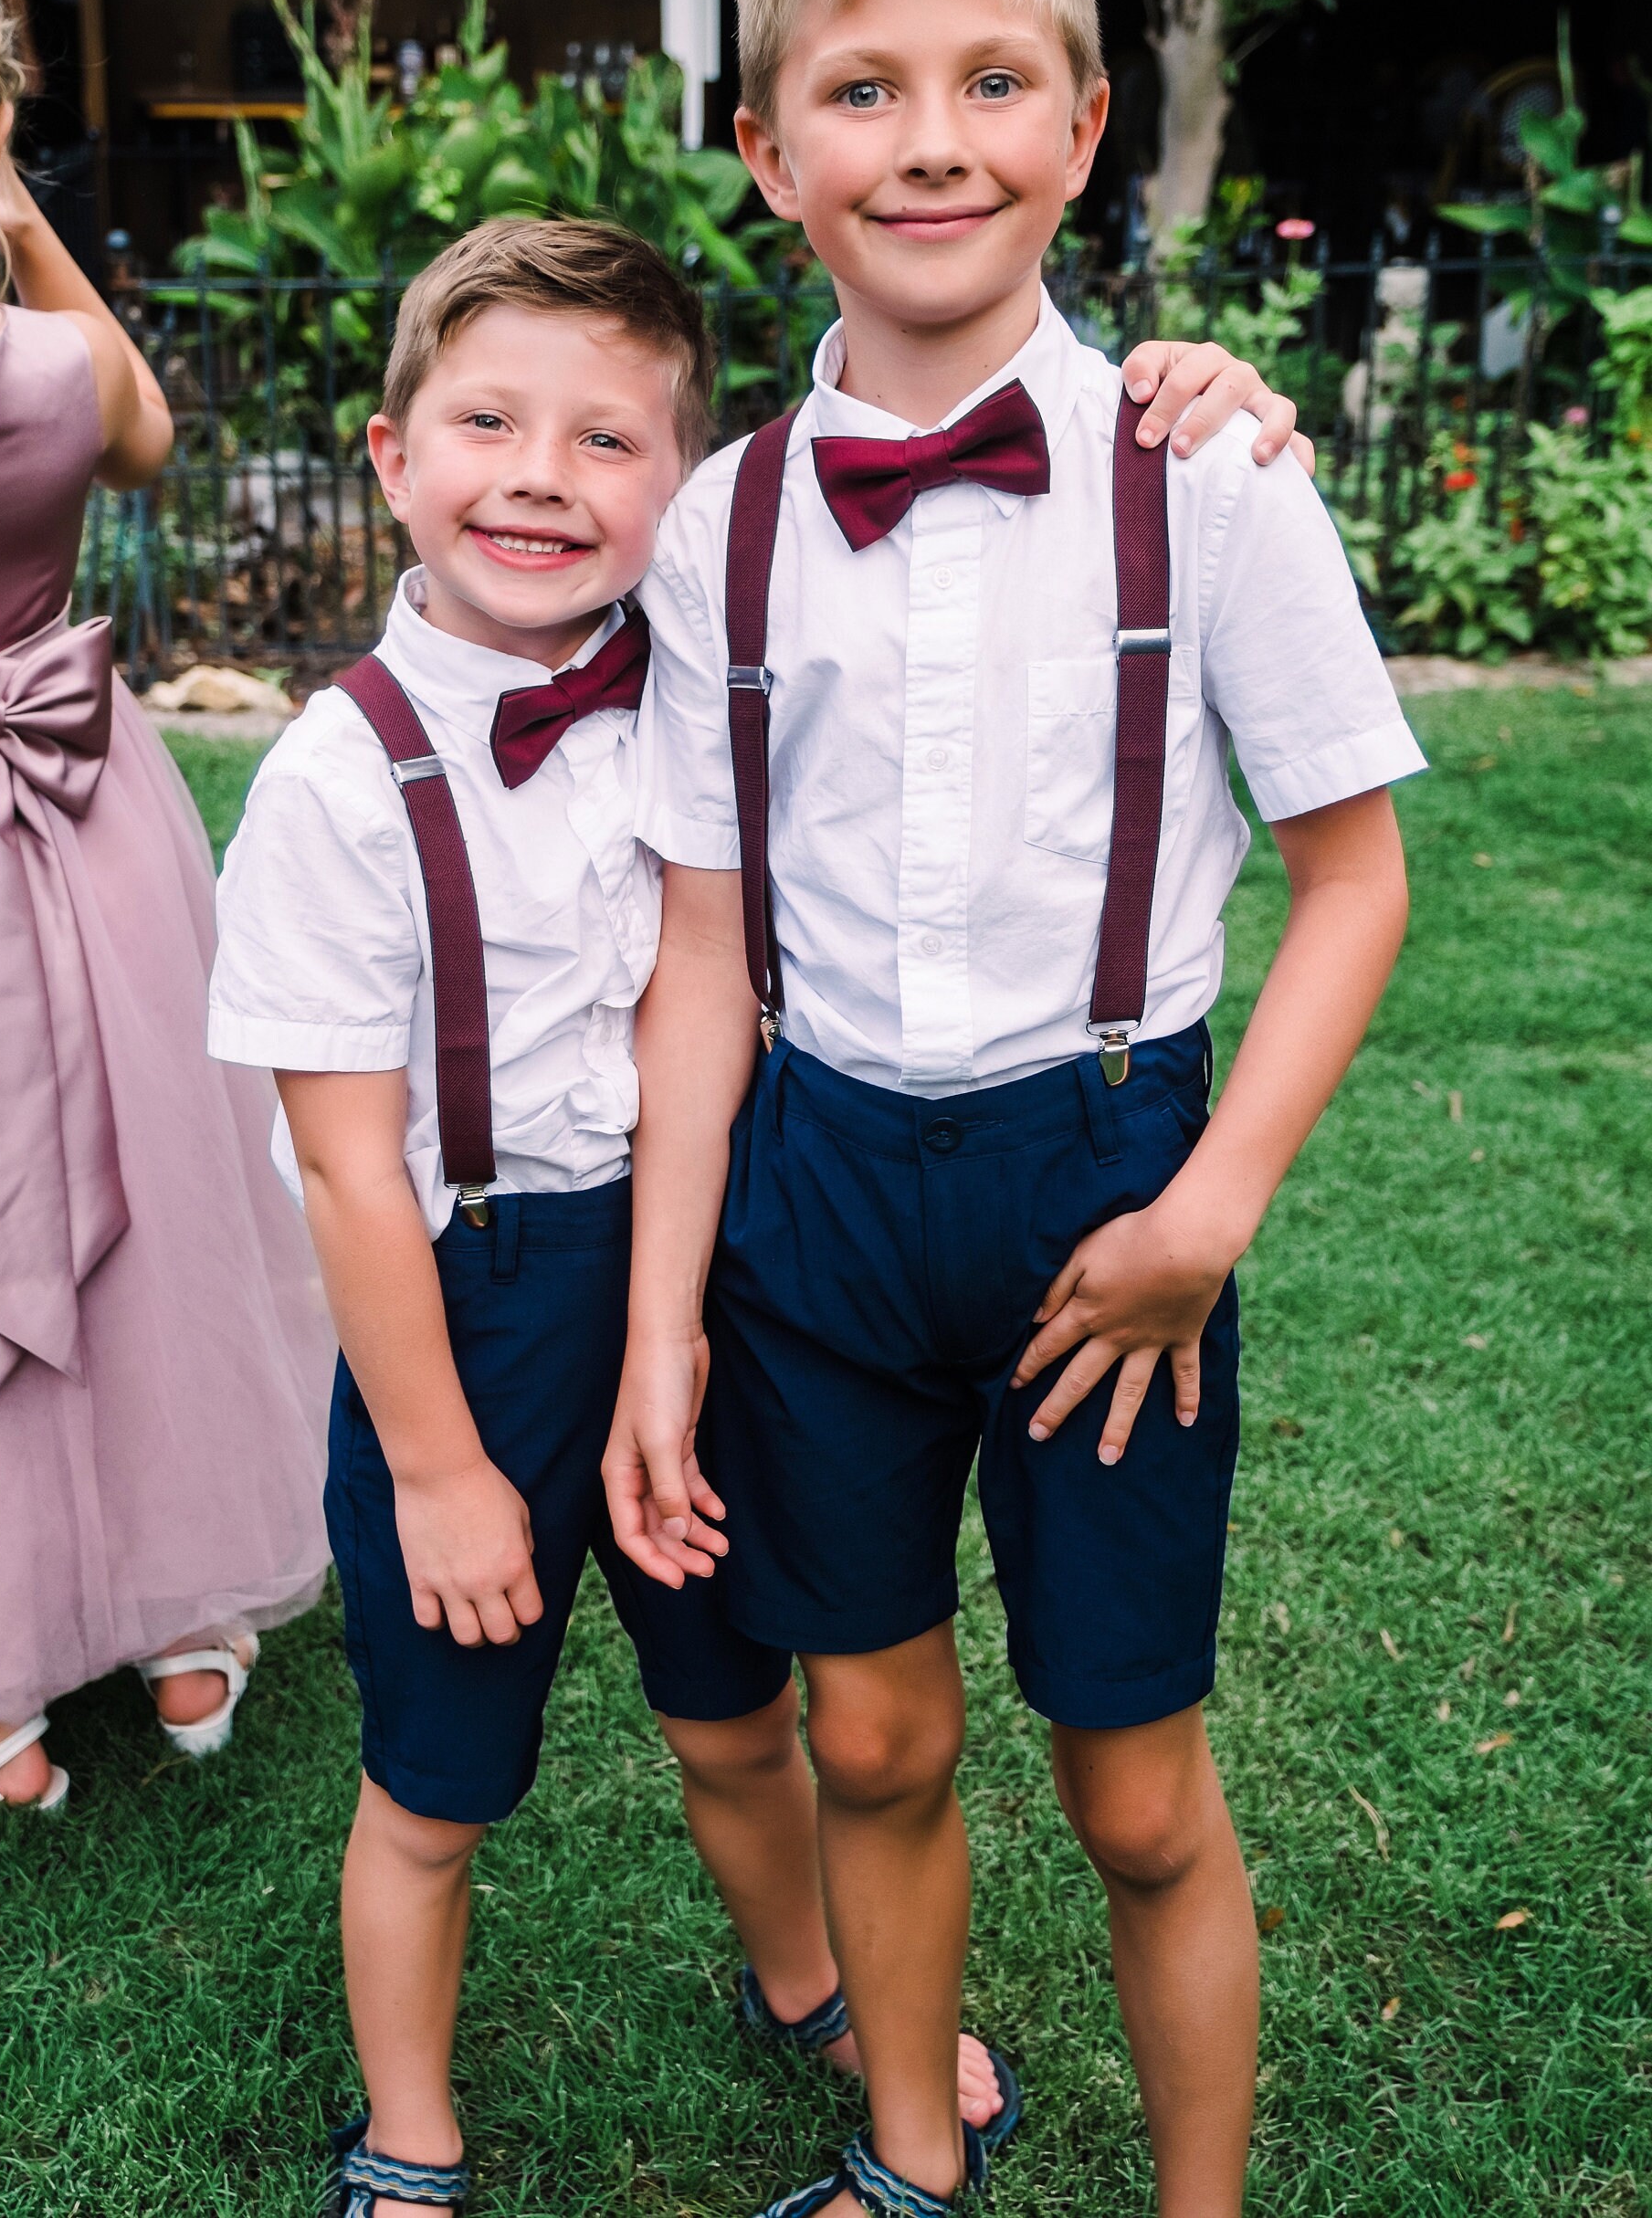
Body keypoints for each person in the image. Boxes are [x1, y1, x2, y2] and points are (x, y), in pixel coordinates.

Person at [208, 206, 1307, 2211]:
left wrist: (1201, 392)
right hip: (471, 1306)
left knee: (738, 1705)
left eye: (605, 442)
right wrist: (440, 1468)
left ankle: (810, 1984)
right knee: (438, 1771)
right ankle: (410, 2136)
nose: (541, 480)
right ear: (389, 454)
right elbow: (350, 1166)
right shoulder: (333, 780)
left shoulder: (710, 627)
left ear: (678, 484)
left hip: (710, 1254)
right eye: (486, 426)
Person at [605, 0, 1425, 2218]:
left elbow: (1355, 880)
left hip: (1113, 1184)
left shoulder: (1211, 478)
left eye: (991, 84)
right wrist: (662, 1328)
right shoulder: (720, 523)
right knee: (869, 1742)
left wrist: (1205, 1216)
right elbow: (698, 954)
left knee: (1137, 1793)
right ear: (767, 153)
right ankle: (906, 2163)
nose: (931, 142)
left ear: (1081, 129)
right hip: (817, 1203)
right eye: (860, 90)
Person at [0, 0, 331, 1810]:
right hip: (82, 831)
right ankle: (188, 1638)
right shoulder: (55, 371)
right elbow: (147, 437)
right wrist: (14, 215)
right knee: (138, 1204)